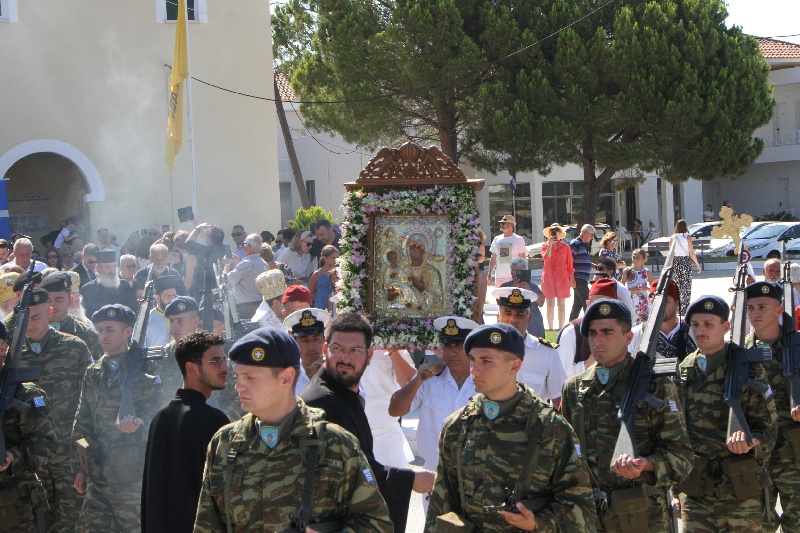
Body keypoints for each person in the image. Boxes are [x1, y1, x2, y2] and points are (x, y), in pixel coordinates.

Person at [193, 327, 393, 532]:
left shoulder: (335, 444)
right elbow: (206, 526)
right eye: (238, 376)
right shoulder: (225, 444)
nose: (239, 386)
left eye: (251, 378)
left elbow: (377, 523)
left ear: (287, 378)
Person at [426, 322, 596, 531]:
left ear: (515, 365)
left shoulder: (550, 428)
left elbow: (582, 508)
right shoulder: (457, 426)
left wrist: (538, 522)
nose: (475, 369)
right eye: (473, 360)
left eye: (486, 361)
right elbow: (440, 504)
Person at [561, 299, 693, 533]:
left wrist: (648, 465)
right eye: (592, 333)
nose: (598, 341)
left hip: (643, 518)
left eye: (607, 333)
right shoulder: (574, 389)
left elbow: (681, 458)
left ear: (629, 337)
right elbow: (568, 456)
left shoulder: (655, 386)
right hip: (591, 517)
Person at [300, 312, 433, 531]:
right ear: (325, 350)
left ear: (369, 355)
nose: (345, 358)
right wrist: (411, 479)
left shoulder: (343, 393)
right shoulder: (321, 401)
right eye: (337, 349)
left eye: (355, 350)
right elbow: (352, 472)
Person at [675, 295, 777, 531]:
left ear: (725, 326)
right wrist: (674, 490)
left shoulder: (747, 368)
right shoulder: (684, 371)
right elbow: (676, 436)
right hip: (695, 491)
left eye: (708, 324)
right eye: (696, 325)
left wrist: (752, 442)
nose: (700, 330)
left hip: (740, 490)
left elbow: (769, 430)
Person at [72, 304, 163, 532]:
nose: (103, 335)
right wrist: (82, 468)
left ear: (127, 331)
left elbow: (161, 412)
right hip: (99, 478)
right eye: (100, 329)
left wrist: (140, 425)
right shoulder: (93, 373)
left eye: (110, 329)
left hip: (134, 478)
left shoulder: (147, 367)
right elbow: (82, 423)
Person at [13, 288, 93, 531]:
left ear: (50, 313)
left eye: (36, 317)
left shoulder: (74, 347)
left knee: (72, 520)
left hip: (68, 454)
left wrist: (87, 453)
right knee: (38, 520)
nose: (30, 325)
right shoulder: (14, 355)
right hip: (33, 456)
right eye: (25, 319)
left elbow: (90, 400)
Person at [141, 332, 230, 533]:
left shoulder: (161, 416)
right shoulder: (213, 420)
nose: (225, 368)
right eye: (215, 361)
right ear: (191, 368)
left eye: (225, 360)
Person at [742, 282, 800, 531]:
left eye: (763, 307)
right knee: (758, 524)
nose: (755, 313)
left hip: (795, 456)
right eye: (751, 308)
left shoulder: (796, 348)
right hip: (756, 456)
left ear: (779, 310)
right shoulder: (739, 351)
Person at [388, 316, 478, 477]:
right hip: (435, 473)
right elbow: (395, 410)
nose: (452, 352)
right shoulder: (428, 379)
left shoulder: (484, 382)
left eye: (458, 346)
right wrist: (416, 382)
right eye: (447, 346)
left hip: (473, 473)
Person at [0, 317, 58, 533]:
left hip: (18, 505)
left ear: (3, 347)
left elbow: (47, 445)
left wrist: (12, 457)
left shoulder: (27, 394)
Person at [494, 287, 567, 409]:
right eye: (507, 313)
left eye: (519, 314)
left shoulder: (547, 353)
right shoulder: (485, 351)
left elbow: (559, 399)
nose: (513, 320)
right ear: (498, 316)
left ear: (530, 318)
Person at [556, 278, 634, 379]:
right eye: (596, 305)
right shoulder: (571, 332)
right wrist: (589, 363)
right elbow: (560, 375)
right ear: (588, 304)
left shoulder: (622, 332)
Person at [629, 279, 696, 363]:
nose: (659, 306)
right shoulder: (636, 335)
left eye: (665, 301)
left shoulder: (694, 331)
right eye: (655, 301)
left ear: (677, 303)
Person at [40, 271, 102, 360]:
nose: (53, 306)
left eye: (59, 300)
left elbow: (97, 370)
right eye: (48, 301)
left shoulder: (88, 334)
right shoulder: (34, 331)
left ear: (70, 300)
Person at [283, 307, 331, 395]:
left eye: (316, 339)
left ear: (324, 340)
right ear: (295, 342)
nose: (311, 347)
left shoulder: (337, 371)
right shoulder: (287, 376)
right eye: (305, 341)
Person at [80, 250, 138, 319]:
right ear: (98, 268)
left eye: (114, 267)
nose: (112, 271)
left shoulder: (124, 286)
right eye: (108, 267)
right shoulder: (87, 290)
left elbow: (133, 312)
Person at [224, 233, 268, 319]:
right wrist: (238, 262)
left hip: (245, 308)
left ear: (248, 246)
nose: (243, 247)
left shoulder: (247, 264)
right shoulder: (264, 263)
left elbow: (227, 280)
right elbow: (247, 274)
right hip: (260, 305)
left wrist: (226, 265)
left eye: (244, 244)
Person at [502, 257, 546, 337]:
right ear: (511, 272)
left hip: (531, 320)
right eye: (515, 270)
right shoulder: (505, 286)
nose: (516, 273)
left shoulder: (533, 286)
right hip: (511, 318)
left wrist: (530, 290)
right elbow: (500, 302)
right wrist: (512, 289)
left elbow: (541, 302)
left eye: (520, 271)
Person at [541, 223, 573, 330]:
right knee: (550, 304)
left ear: (560, 233)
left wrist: (571, 278)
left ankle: (561, 327)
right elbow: (547, 258)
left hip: (562, 278)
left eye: (556, 231)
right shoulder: (545, 246)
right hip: (549, 278)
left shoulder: (565, 247)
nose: (554, 233)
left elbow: (570, 264)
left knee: (561, 304)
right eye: (552, 232)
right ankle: (550, 328)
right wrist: (550, 245)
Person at [670, 219, 702, 316]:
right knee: (687, 285)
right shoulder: (687, 237)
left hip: (677, 261)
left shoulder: (672, 237)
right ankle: (685, 307)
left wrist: (670, 266)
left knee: (678, 285)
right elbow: (691, 252)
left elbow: (671, 254)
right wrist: (697, 264)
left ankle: (679, 307)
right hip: (685, 261)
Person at [488, 214, 527, 287]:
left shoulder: (519, 239)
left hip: (514, 277)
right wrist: (489, 275)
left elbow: (523, 259)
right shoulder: (496, 239)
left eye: (503, 223)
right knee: (499, 298)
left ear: (510, 225)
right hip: (499, 276)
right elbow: (493, 258)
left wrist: (523, 275)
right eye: (501, 223)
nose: (501, 225)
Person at [145, 275, 181, 348]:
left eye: (174, 296)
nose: (172, 300)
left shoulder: (182, 316)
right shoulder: (147, 319)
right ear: (157, 298)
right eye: (168, 296)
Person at [569, 224, 595, 320]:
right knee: (587, 301)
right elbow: (569, 261)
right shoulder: (575, 243)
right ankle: (589, 322)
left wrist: (595, 266)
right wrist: (572, 279)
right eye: (592, 235)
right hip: (578, 278)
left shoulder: (583, 245)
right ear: (586, 233)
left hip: (583, 278)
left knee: (577, 304)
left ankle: (571, 323)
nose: (592, 238)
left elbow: (584, 261)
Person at [625, 248, 654, 324]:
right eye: (633, 257)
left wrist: (645, 288)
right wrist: (631, 289)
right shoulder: (627, 271)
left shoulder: (648, 272)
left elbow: (653, 290)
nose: (635, 260)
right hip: (631, 301)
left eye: (638, 258)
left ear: (644, 259)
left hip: (643, 302)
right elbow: (621, 288)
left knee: (644, 324)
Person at [309, 244, 339, 312]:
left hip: (334, 303)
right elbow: (310, 293)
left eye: (337, 257)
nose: (336, 260)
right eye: (333, 258)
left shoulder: (339, 273)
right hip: (321, 305)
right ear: (324, 258)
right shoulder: (317, 274)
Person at [472, 228, 488, 324]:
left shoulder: (481, 275)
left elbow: (480, 307)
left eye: (481, 243)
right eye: (478, 244)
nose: (481, 248)